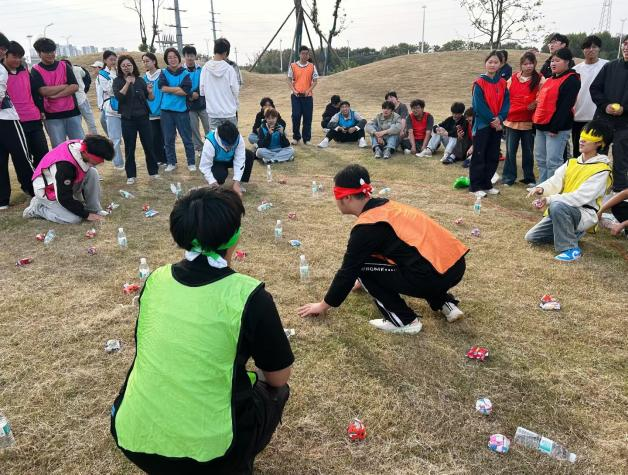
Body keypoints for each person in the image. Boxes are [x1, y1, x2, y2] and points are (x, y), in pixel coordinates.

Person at [111, 187, 293, 474]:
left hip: (134, 437)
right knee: (275, 389)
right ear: (236, 234)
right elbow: (279, 377)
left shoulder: (156, 280)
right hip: (214, 454)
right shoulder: (250, 296)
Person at [298, 164, 468, 334]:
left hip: (432, 276)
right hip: (455, 266)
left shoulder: (367, 227)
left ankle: (404, 320)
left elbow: (347, 272)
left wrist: (323, 305)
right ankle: (445, 303)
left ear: (347, 197)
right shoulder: (388, 206)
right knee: (412, 260)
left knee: (361, 267)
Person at [525, 121, 612, 261]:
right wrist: (541, 189)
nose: (582, 140)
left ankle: (571, 249)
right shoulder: (571, 163)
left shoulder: (602, 170)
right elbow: (555, 181)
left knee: (556, 206)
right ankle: (571, 233)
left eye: (588, 137)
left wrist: (549, 199)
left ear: (599, 143)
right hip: (564, 210)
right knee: (532, 237)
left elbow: (580, 197)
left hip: (583, 213)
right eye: (582, 136)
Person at [22, 135, 114, 224]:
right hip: (47, 190)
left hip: (63, 184)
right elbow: (63, 197)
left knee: (93, 172)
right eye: (100, 159)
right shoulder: (64, 166)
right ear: (86, 153)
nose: (101, 162)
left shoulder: (84, 146)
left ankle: (94, 209)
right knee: (74, 219)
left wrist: (86, 211)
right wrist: (86, 215)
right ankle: (37, 209)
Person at [532, 47, 580, 183]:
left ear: (567, 62)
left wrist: (555, 127)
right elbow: (541, 103)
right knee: (541, 159)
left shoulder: (572, 80)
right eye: (552, 61)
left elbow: (565, 107)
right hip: (541, 125)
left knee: (553, 161)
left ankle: (552, 189)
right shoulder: (549, 80)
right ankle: (542, 186)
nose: (553, 63)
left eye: (557, 60)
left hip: (556, 128)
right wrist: (536, 124)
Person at [0, 33, 34, 210]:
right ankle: (5, 198)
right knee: (20, 156)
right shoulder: (1, 69)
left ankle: (31, 189)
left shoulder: (2, 69)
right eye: (2, 49)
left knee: (20, 156)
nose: (2, 52)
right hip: (7, 119)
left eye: (4, 49)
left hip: (7, 117)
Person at [590, 35, 628, 193]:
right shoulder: (610, 66)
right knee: (596, 155)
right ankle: (594, 189)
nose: (626, 47)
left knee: (621, 159)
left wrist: (624, 109)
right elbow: (595, 89)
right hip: (603, 120)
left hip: (625, 124)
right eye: (625, 44)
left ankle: (620, 193)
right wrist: (605, 106)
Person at [30, 37, 84, 147]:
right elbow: (43, 91)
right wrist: (64, 86)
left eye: (52, 51)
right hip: (52, 116)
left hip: (72, 113)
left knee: (79, 145)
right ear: (39, 53)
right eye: (46, 52)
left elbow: (74, 86)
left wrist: (55, 95)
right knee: (59, 147)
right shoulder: (36, 69)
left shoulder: (64, 65)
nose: (51, 54)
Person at [113, 55, 159, 185]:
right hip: (128, 119)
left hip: (143, 117)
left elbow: (151, 98)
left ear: (133, 66)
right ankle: (131, 175)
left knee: (149, 145)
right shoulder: (117, 81)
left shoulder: (140, 80)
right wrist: (127, 83)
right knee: (130, 147)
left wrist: (150, 91)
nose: (126, 67)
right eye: (123, 65)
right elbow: (119, 97)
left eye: (129, 65)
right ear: (120, 68)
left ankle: (153, 172)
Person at [469, 51, 510, 197]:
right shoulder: (479, 83)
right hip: (483, 125)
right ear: (485, 63)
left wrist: (501, 118)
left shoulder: (503, 83)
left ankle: (487, 184)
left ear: (501, 64)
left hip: (497, 125)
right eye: (490, 62)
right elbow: (478, 106)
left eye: (496, 62)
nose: (492, 65)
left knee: (493, 155)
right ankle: (475, 187)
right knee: (479, 155)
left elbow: (506, 103)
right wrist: (493, 120)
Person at [4, 40, 49, 167]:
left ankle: (42, 177)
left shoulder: (24, 71)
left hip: (33, 118)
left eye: (20, 57)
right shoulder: (2, 74)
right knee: (23, 157)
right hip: (15, 121)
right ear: (5, 55)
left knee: (43, 153)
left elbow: (34, 92)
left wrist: (41, 109)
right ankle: (29, 179)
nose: (17, 60)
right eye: (14, 56)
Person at [502, 51, 543, 186]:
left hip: (528, 121)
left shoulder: (540, 79)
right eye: (525, 64)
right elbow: (505, 95)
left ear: (535, 64)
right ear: (521, 65)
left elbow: (543, 95)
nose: (528, 66)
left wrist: (535, 102)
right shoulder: (513, 78)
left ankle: (529, 178)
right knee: (510, 151)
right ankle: (508, 178)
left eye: (531, 63)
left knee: (528, 152)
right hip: (512, 120)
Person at [159, 47, 196, 172]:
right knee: (168, 139)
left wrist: (170, 89)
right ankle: (171, 162)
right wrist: (178, 88)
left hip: (182, 111)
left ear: (178, 58)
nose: (172, 59)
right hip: (166, 111)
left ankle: (191, 162)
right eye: (169, 57)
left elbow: (185, 91)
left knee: (187, 138)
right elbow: (162, 88)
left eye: (175, 57)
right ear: (166, 60)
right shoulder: (163, 73)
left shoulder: (185, 73)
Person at [200, 121, 254, 197]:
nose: (230, 148)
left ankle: (240, 184)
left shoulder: (238, 138)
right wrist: (212, 181)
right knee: (219, 176)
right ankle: (216, 183)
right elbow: (205, 166)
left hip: (231, 158)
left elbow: (240, 159)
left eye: (232, 145)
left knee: (249, 155)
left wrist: (237, 182)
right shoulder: (210, 142)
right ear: (220, 138)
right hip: (217, 162)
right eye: (227, 145)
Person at [573, 36, 608, 150]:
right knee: (579, 151)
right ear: (583, 50)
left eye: (594, 47)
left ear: (599, 48)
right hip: (578, 116)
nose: (591, 49)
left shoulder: (607, 66)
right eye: (587, 47)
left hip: (600, 116)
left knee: (600, 152)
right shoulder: (575, 70)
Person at [200, 38, 240, 130]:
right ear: (226, 52)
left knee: (215, 138)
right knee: (231, 138)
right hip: (229, 112)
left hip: (213, 113)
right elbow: (235, 91)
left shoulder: (205, 68)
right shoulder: (229, 69)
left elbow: (202, 91)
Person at [97, 50, 124, 169]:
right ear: (105, 60)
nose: (113, 62)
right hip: (112, 108)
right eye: (111, 59)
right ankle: (118, 163)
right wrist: (113, 75)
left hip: (125, 106)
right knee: (115, 138)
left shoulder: (121, 71)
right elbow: (110, 90)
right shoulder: (102, 74)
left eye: (115, 59)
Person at [287, 45, 318, 145]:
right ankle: (296, 137)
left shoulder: (312, 66)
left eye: (307, 54)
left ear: (308, 55)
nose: (305, 56)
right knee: (296, 116)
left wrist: (309, 90)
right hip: (296, 96)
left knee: (307, 117)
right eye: (303, 53)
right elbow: (289, 80)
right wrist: (294, 90)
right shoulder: (293, 66)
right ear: (299, 54)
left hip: (307, 96)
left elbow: (315, 81)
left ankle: (306, 139)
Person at [182, 45, 210, 157]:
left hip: (202, 103)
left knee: (208, 126)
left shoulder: (201, 70)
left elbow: (204, 83)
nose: (189, 58)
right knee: (194, 128)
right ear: (184, 56)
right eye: (187, 55)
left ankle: (210, 146)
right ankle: (199, 148)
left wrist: (197, 93)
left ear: (195, 56)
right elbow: (180, 85)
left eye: (192, 55)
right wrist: (190, 94)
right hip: (189, 104)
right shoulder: (181, 71)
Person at [142, 52, 166, 166]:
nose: (145, 63)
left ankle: (167, 159)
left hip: (163, 110)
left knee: (165, 137)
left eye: (147, 61)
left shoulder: (163, 74)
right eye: (143, 61)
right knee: (154, 137)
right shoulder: (144, 78)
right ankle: (158, 159)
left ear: (154, 61)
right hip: (150, 113)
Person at [68, 59, 97, 135]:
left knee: (78, 123)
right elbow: (86, 77)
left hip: (77, 99)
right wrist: (85, 88)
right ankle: (94, 137)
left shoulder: (76, 69)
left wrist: (84, 89)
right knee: (89, 120)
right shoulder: (78, 69)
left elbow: (86, 77)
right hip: (79, 98)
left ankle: (90, 136)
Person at [91, 60, 107, 134]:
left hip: (105, 104)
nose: (93, 69)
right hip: (103, 105)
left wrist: (102, 104)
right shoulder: (98, 78)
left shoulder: (102, 77)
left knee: (103, 121)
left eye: (95, 67)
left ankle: (113, 137)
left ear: (100, 68)